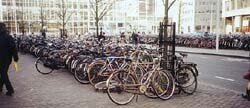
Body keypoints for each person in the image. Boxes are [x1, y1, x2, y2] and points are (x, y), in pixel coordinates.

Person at [0, 22, 19, 96]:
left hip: (2, 59)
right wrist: (15, 57)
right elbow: (13, 48)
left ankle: (10, 89)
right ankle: (0, 87)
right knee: (3, 73)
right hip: (7, 59)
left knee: (3, 74)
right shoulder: (8, 37)